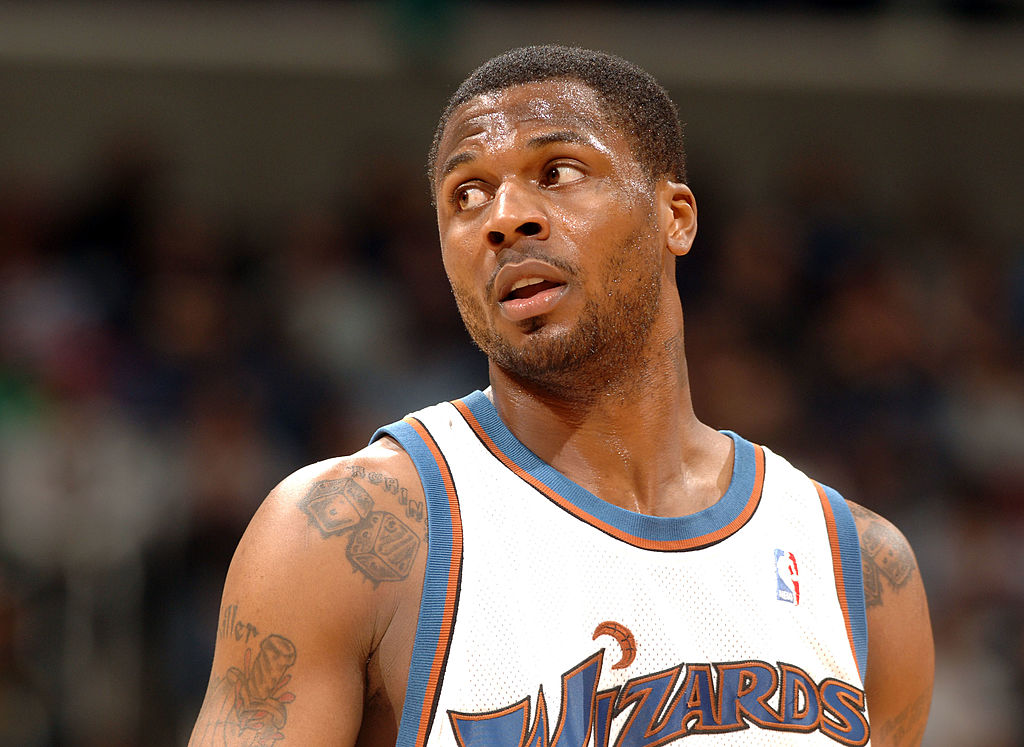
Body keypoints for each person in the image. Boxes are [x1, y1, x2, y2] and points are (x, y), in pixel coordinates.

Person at [188, 45, 933, 747]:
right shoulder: (343, 536)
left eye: (559, 171)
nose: (504, 217)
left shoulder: (859, 569)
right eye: (466, 194)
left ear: (674, 217)